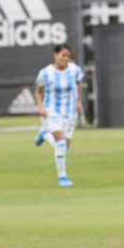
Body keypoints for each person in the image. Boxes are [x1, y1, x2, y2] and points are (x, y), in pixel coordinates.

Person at [34, 44, 84, 187]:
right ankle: (62, 177)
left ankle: (44, 135)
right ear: (55, 55)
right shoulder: (45, 72)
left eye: (68, 56)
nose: (66, 59)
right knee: (61, 143)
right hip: (51, 112)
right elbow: (38, 91)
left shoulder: (75, 70)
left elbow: (79, 85)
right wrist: (41, 107)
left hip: (69, 112)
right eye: (63, 55)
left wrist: (79, 102)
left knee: (65, 148)